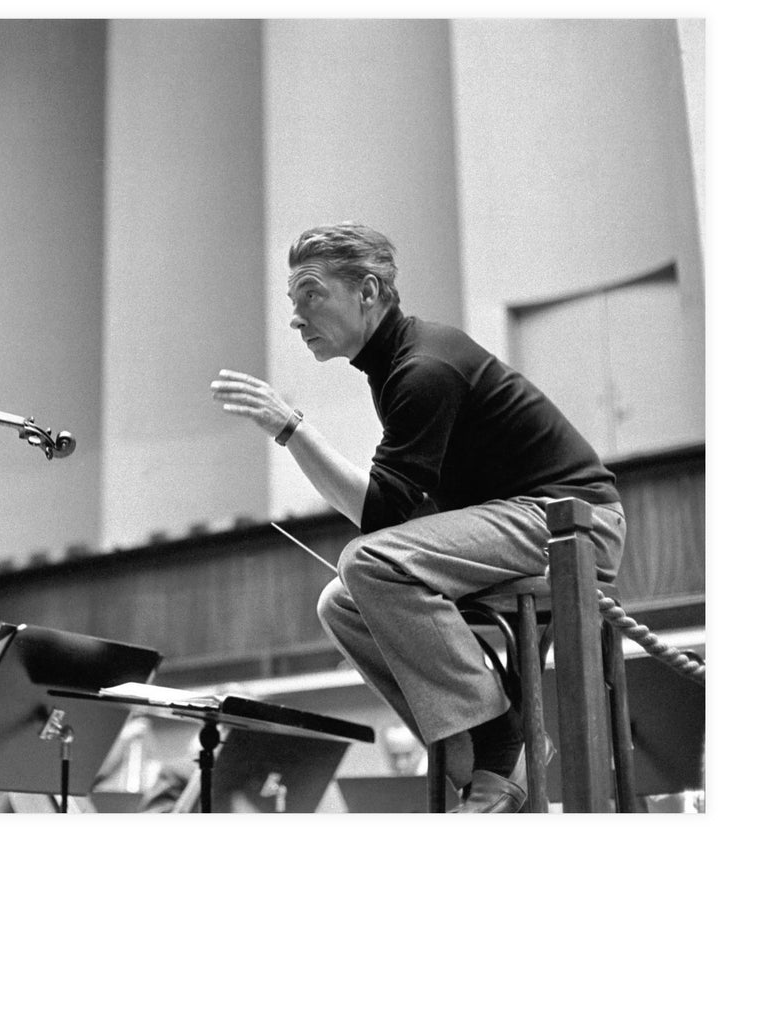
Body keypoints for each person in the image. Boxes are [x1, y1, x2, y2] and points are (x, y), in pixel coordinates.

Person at [211, 224, 626, 813]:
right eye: (293, 301)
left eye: (310, 295)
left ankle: (501, 750)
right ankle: (477, 769)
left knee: (366, 562)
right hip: (517, 521)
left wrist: (291, 429)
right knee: (340, 603)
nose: (296, 319)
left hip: (572, 523)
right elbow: (393, 512)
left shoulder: (423, 367)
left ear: (367, 291)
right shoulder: (393, 368)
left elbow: (380, 517)